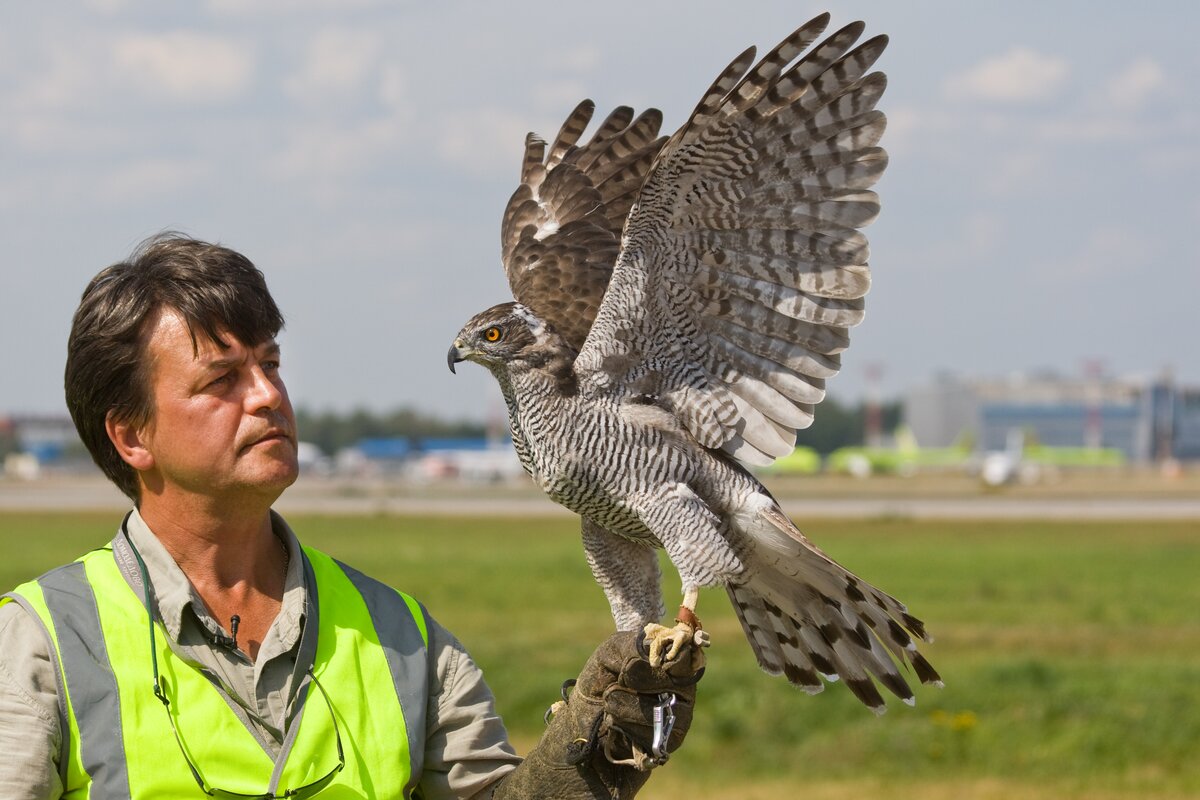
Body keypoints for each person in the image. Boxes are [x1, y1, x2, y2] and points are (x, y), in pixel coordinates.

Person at [0, 234, 702, 799]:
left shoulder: (404, 638)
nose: (267, 395)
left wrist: (589, 757)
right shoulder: (43, 641)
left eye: (270, 365)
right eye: (222, 379)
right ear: (132, 436)